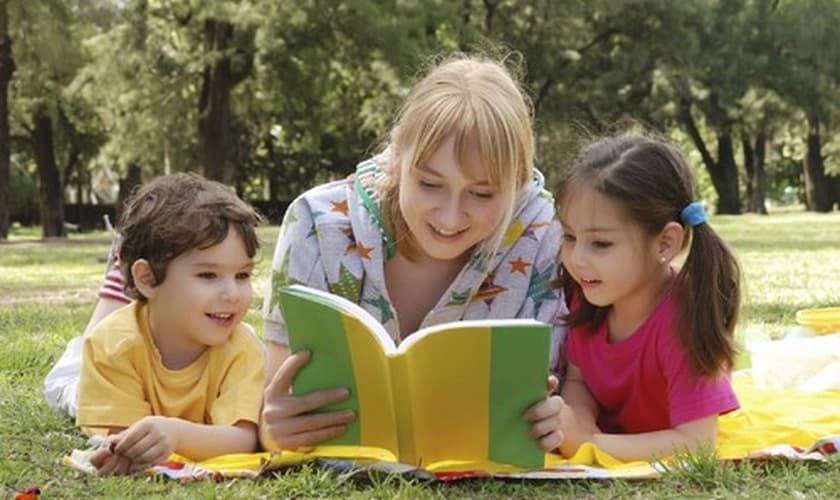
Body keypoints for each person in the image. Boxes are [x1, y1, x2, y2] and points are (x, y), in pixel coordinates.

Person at [259, 53, 568, 452]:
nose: (451, 216)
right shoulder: (315, 224)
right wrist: (275, 429)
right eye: (429, 184)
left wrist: (556, 421)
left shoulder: (545, 235)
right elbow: (273, 412)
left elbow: (561, 403)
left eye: (482, 193)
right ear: (398, 157)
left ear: (519, 181)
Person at [55, 173, 266, 475]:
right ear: (149, 279)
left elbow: (244, 439)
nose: (232, 294)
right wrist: (124, 449)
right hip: (87, 377)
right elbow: (125, 437)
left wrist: (176, 434)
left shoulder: (243, 347)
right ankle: (117, 281)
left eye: (243, 275)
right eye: (208, 275)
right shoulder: (110, 345)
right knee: (66, 386)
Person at [549, 133, 741, 462]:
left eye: (601, 243)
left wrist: (588, 445)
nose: (576, 258)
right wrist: (576, 420)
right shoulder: (590, 292)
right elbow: (579, 380)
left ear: (665, 243)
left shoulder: (684, 324)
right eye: (569, 236)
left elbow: (697, 444)